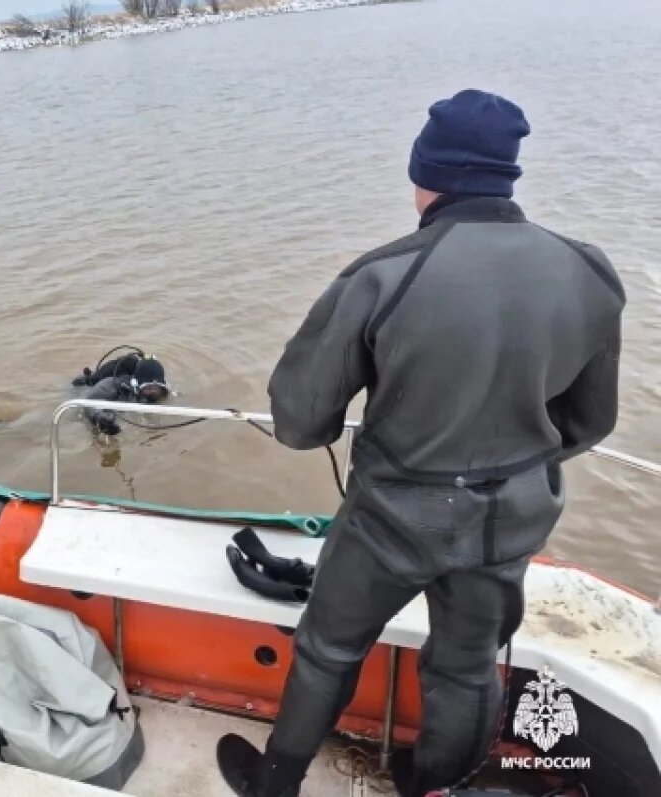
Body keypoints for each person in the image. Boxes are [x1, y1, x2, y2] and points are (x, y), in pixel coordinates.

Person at [217, 89, 624, 797]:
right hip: (510, 521)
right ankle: (441, 787)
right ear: (505, 175)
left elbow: (299, 420)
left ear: (425, 175)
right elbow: (590, 424)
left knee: (329, 647)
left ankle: (275, 783)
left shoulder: (383, 273)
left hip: (392, 517)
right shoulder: (589, 271)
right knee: (467, 667)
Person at [70, 350, 171, 435]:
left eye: (157, 388)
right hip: (82, 390)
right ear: (135, 385)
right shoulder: (116, 385)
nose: (153, 392)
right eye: (148, 388)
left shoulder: (165, 392)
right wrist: (100, 418)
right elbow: (89, 402)